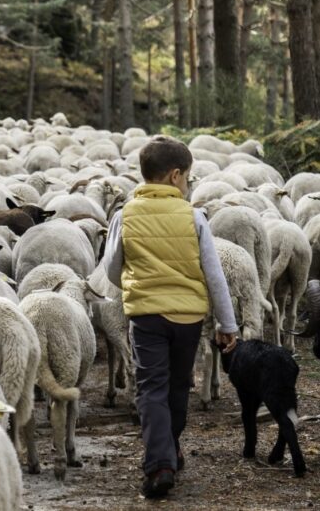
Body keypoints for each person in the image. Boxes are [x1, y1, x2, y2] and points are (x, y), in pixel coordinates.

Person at [101, 136, 238, 499]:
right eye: (188, 177)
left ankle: (160, 462)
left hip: (145, 315)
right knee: (179, 385)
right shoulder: (194, 217)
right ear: (176, 176)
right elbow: (214, 275)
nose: (188, 184)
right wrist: (227, 325)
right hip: (187, 317)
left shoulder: (122, 215)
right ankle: (168, 451)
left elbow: (112, 270)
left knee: (150, 389)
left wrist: (137, 280)